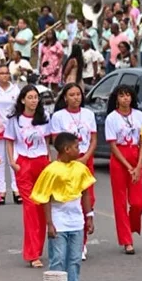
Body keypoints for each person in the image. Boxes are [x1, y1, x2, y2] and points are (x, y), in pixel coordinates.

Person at [30, 132, 95, 281]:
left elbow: (86, 193)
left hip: (76, 220)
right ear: (66, 149)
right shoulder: (51, 170)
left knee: (74, 259)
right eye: (76, 147)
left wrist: (89, 216)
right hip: (59, 220)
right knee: (57, 258)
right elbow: (45, 198)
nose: (79, 150)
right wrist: (49, 223)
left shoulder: (80, 168)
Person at [4, 85, 51, 268]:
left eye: (36, 97)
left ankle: (38, 248)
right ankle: (32, 254)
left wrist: (48, 159)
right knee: (30, 207)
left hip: (41, 163)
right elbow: (9, 141)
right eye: (30, 97)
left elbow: (47, 140)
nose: (33, 101)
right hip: (23, 163)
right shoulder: (15, 120)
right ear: (23, 100)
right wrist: (12, 162)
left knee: (41, 207)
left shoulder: (44, 117)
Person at [51, 83, 97, 260]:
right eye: (72, 94)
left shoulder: (89, 114)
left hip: (85, 158)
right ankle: (64, 239)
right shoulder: (58, 116)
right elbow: (57, 141)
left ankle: (81, 242)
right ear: (65, 98)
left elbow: (93, 139)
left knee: (88, 198)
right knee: (69, 199)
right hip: (67, 161)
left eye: (78, 94)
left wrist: (85, 158)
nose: (76, 97)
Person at [105, 85, 142, 254]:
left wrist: (138, 165)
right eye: (122, 96)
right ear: (116, 99)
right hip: (119, 159)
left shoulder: (139, 115)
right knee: (120, 202)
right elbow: (113, 145)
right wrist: (128, 166)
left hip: (136, 155)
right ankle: (126, 240)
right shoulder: (111, 118)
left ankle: (132, 224)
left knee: (138, 202)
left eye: (128, 95)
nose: (125, 99)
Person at [0, 65, 20, 204]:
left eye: (6, 73)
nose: (4, 75)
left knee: (13, 158)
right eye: (1, 73)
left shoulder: (15, 89)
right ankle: (1, 191)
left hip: (12, 126)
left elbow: (19, 106)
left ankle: (16, 190)